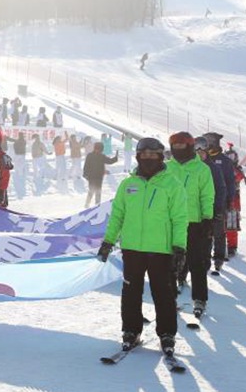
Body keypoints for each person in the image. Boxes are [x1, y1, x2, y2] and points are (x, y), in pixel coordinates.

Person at [97, 137, 187, 356]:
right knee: (131, 292)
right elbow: (117, 214)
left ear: (160, 156)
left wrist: (179, 246)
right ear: (138, 156)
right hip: (132, 248)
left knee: (163, 293)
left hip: (160, 249)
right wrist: (108, 241)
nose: (148, 159)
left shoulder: (171, 184)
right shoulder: (128, 184)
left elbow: (180, 218)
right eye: (144, 155)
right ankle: (131, 330)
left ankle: (167, 334)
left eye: (153, 155)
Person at [167, 132, 215, 317]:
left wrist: (207, 218)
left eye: (181, 146)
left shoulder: (201, 169)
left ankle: (199, 298)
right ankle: (169, 298)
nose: (178, 150)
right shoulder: (166, 168)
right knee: (169, 262)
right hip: (170, 222)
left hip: (194, 222)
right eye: (175, 147)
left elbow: (207, 195)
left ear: (189, 146)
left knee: (197, 262)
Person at [203, 132, 236, 263]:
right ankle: (204, 255)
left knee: (218, 231)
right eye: (207, 141)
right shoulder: (201, 159)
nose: (209, 143)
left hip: (219, 200)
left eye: (211, 141)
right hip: (203, 200)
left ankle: (219, 257)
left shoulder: (225, 161)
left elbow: (230, 181)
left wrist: (229, 199)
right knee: (204, 231)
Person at [83, 142, 119, 207]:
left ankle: (97, 205)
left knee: (98, 191)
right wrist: (85, 174)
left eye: (99, 149)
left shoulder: (101, 156)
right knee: (91, 190)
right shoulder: (90, 156)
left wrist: (115, 158)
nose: (98, 150)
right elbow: (86, 165)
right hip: (91, 177)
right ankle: (87, 204)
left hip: (99, 177)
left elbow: (109, 161)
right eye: (98, 149)